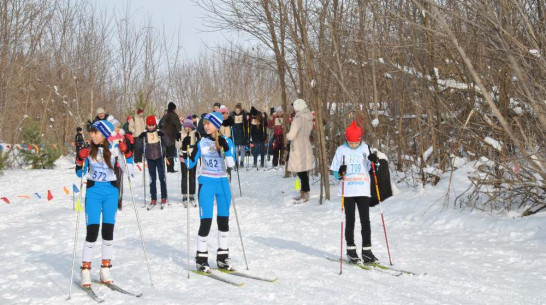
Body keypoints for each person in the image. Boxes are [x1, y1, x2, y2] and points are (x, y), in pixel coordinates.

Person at [75, 120, 132, 287]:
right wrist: (80, 158)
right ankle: (85, 270)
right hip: (93, 193)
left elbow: (128, 169)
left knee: (108, 232)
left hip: (111, 194)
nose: (92, 135)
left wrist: (126, 152)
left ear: (105, 134)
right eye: (91, 132)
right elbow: (80, 173)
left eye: (95, 132)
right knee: (92, 232)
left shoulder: (114, 150)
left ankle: (105, 268)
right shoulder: (87, 149)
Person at [182, 112, 236, 273]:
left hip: (223, 184)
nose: (205, 126)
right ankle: (201, 259)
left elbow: (231, 163)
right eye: (204, 124)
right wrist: (186, 152)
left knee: (224, 221)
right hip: (206, 182)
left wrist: (226, 150)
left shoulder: (227, 141)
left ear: (217, 125)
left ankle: (222, 258)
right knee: (206, 221)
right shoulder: (201, 142)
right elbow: (191, 164)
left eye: (209, 124)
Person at [330, 121, 378, 264]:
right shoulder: (340, 150)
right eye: (350, 143)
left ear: (360, 140)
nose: (353, 145)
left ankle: (367, 251)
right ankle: (351, 250)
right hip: (348, 190)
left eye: (355, 143)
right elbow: (336, 173)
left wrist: (375, 162)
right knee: (350, 220)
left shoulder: (365, 148)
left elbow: (374, 169)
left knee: (365, 221)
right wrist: (340, 172)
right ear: (346, 139)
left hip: (363, 189)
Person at [286, 99, 314, 203]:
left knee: (300, 171)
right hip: (305, 145)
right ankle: (304, 191)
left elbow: (292, 135)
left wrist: (287, 135)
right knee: (303, 171)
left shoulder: (298, 120)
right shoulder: (309, 118)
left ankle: (305, 192)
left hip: (298, 146)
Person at [138, 115, 167, 207]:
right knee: (152, 179)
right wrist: (140, 138)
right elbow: (138, 144)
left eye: (152, 125)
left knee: (162, 178)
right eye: (149, 125)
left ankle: (163, 196)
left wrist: (163, 136)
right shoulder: (145, 133)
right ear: (147, 125)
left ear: (155, 124)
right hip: (150, 158)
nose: (151, 127)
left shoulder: (158, 132)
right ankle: (153, 198)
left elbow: (167, 141)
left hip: (159, 157)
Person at [180, 116, 201, 206]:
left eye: (189, 127)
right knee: (185, 176)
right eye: (186, 127)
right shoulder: (181, 133)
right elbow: (177, 145)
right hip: (183, 156)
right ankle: (185, 194)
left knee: (192, 176)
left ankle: (191, 194)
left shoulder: (194, 133)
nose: (187, 129)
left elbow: (199, 144)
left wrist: (198, 137)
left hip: (192, 157)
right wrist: (182, 143)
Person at [161, 102, 181, 173]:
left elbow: (161, 124)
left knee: (167, 153)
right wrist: (178, 132)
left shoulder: (165, 116)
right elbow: (177, 125)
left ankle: (168, 167)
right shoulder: (173, 115)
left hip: (165, 136)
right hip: (171, 136)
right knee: (171, 153)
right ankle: (171, 168)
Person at [231, 103, 248, 168]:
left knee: (243, 149)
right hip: (235, 134)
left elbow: (247, 124)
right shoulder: (232, 116)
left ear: (240, 110)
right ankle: (236, 162)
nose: (237, 111)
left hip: (242, 134)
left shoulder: (243, 115)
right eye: (236, 110)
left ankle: (242, 161)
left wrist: (246, 117)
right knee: (236, 150)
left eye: (238, 110)